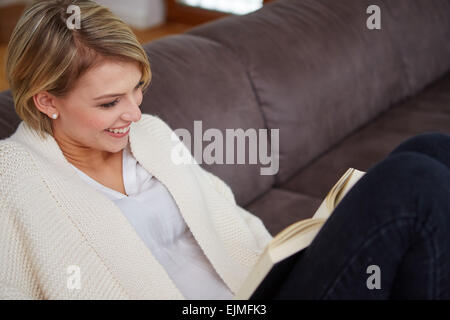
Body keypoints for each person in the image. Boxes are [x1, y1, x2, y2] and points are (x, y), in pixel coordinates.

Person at [1, 0, 448, 300]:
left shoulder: (149, 134)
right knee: (412, 184)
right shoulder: (15, 180)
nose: (135, 114)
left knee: (428, 148)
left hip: (254, 290)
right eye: (109, 103)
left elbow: (229, 219)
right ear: (46, 100)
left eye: (137, 90)